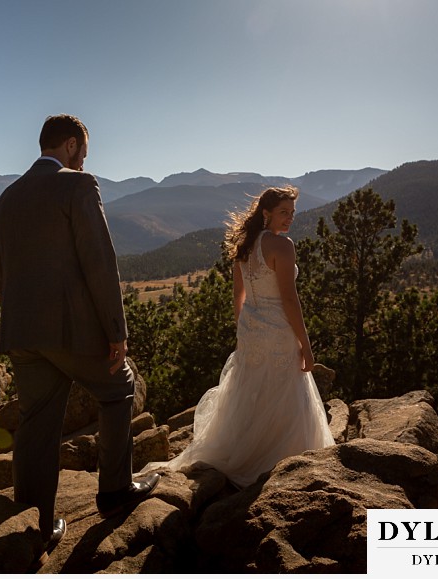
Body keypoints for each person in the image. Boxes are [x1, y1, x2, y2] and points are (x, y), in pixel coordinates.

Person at [0, 114, 159, 554]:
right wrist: (115, 330)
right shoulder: (78, 186)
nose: (84, 161)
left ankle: (36, 525)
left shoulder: (6, 197)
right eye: (83, 151)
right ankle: (115, 490)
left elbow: (2, 273)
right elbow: (99, 263)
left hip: (20, 331)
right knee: (120, 389)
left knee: (36, 425)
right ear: (70, 146)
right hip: (69, 330)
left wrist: (19, 323)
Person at [143, 186, 334, 488]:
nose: (290, 219)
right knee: (284, 393)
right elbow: (289, 299)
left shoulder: (245, 244)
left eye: (293, 213)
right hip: (278, 330)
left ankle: (245, 450)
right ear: (266, 212)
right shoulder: (282, 246)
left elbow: (238, 294)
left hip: (252, 328)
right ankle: (279, 458)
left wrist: (245, 327)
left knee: (252, 390)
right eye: (284, 212)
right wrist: (306, 345)